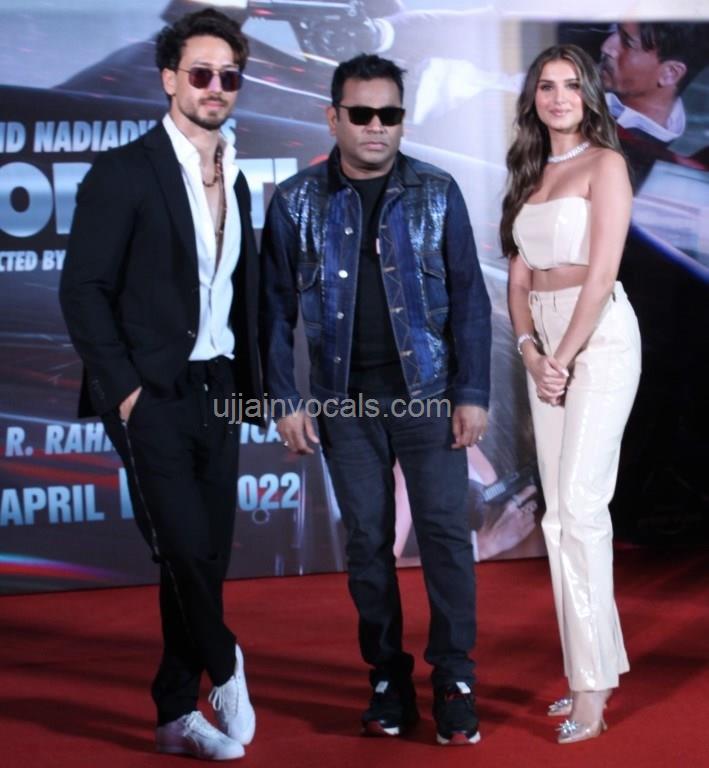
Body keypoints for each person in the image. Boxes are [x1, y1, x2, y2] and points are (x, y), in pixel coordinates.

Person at [260, 54, 491, 746]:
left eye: (388, 114)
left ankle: (453, 678)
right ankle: (387, 677)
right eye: (360, 113)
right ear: (333, 117)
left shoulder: (437, 191)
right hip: (344, 405)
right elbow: (273, 311)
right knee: (367, 544)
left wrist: (472, 392)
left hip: (429, 398)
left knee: (445, 538)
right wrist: (284, 399)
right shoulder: (295, 201)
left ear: (401, 120)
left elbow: (469, 302)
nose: (375, 126)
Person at [60, 9, 262, 761]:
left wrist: (252, 388)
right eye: (201, 73)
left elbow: (239, 294)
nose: (216, 87)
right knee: (179, 545)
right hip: (150, 391)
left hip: (220, 385)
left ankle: (176, 714)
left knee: (205, 554)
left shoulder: (236, 176)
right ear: (170, 79)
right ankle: (225, 661)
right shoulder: (124, 171)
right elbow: (83, 290)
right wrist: (125, 391)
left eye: (229, 75)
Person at [501, 44, 641, 744]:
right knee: (558, 517)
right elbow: (518, 280)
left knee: (581, 511)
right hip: (545, 343)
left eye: (571, 85)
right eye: (546, 86)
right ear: (533, 98)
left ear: (588, 95)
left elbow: (602, 271)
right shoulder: (528, 172)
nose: (558, 97)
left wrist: (560, 356)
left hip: (600, 336)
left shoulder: (605, 164)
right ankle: (592, 669)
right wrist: (531, 351)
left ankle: (590, 689)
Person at [599, 22, 708, 188]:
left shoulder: (661, 168)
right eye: (614, 31)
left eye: (627, 43)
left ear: (670, 73)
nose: (607, 47)